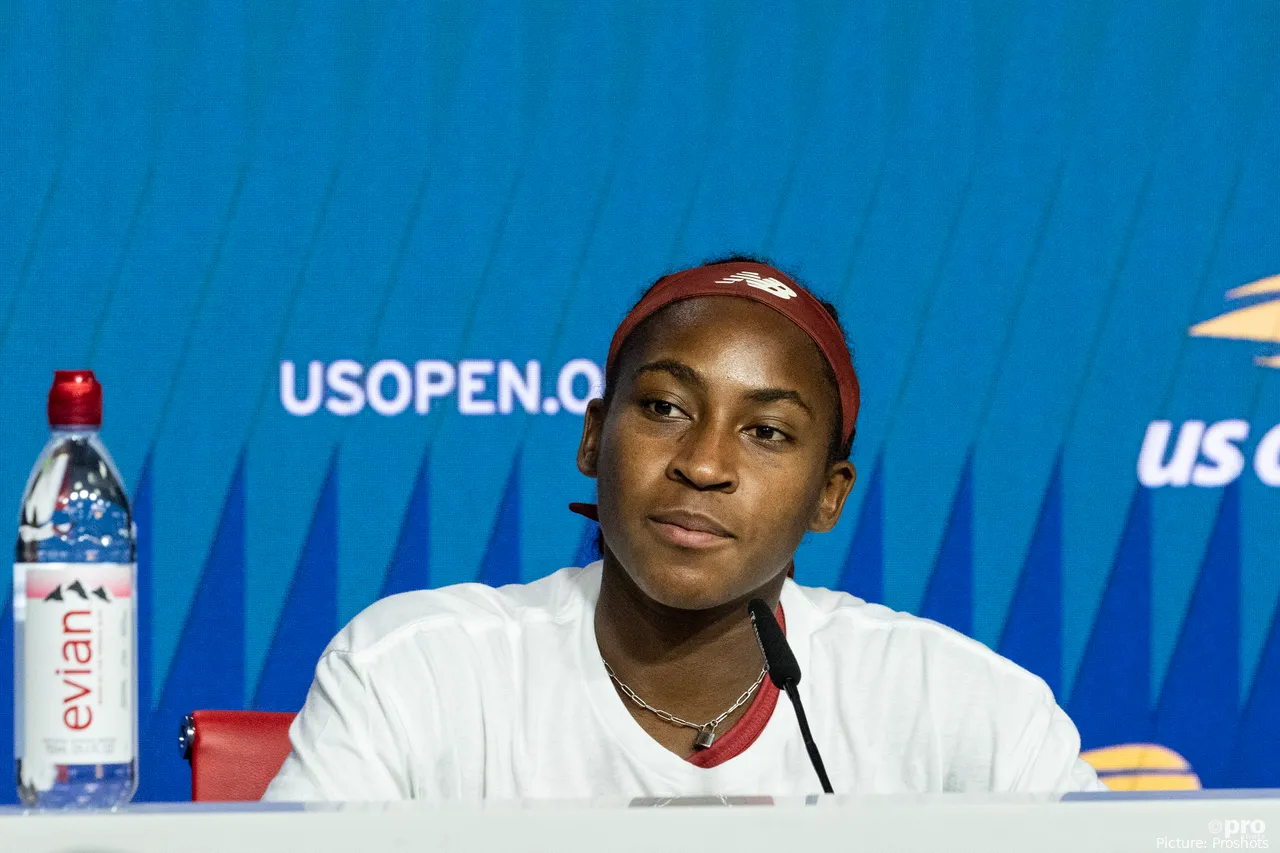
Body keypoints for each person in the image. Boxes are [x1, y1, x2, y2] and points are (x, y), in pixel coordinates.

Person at [263, 258, 1105, 800]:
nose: (703, 463)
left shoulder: (965, 708)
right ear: (594, 437)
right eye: (664, 407)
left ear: (829, 495)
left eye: (766, 431)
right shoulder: (415, 674)